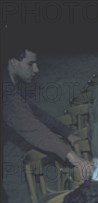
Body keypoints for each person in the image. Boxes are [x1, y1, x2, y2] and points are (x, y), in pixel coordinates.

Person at [2, 36, 92, 179]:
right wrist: (72, 156)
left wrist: (67, 133)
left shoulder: (9, 82)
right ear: (13, 62)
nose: (36, 69)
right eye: (30, 64)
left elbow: (36, 114)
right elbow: (31, 127)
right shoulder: (7, 93)